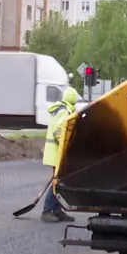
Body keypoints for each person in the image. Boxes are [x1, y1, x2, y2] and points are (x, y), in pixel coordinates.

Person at [40, 87, 79, 223]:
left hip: (55, 153)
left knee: (60, 182)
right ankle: (47, 211)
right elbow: (58, 131)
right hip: (56, 152)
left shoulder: (62, 109)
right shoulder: (63, 111)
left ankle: (56, 210)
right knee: (58, 183)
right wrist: (65, 146)